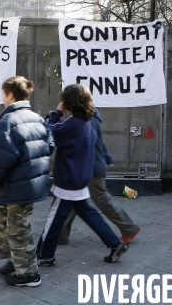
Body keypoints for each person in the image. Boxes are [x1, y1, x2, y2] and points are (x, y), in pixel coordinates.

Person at [36, 84, 128, 266]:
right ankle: (115, 243)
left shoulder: (73, 124)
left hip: (68, 182)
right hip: (79, 178)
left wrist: (56, 112)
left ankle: (45, 255)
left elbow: (48, 132)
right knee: (89, 214)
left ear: (69, 104)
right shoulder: (87, 121)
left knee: (54, 220)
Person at [0, 76, 54, 288]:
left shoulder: (9, 121)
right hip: (28, 183)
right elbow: (49, 145)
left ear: (10, 95)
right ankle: (16, 260)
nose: (2, 98)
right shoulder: (36, 117)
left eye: (3, 94)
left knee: (18, 229)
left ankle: (29, 274)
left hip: (18, 186)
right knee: (4, 222)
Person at [57, 107, 140, 245]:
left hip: (88, 168)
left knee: (101, 201)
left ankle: (129, 228)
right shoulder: (92, 116)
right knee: (72, 200)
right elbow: (100, 142)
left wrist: (56, 115)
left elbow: (60, 135)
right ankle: (60, 234)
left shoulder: (81, 119)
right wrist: (106, 159)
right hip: (91, 167)